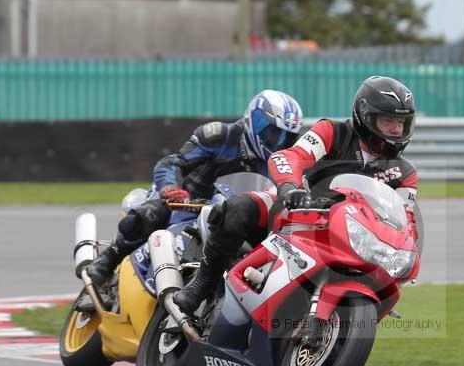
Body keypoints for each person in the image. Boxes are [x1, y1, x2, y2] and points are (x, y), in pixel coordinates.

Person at [174, 75, 419, 314]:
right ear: (366, 116)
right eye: (388, 121)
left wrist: (407, 253)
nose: (397, 130)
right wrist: (290, 188)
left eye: (402, 123)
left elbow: (405, 222)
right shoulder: (332, 131)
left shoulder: (405, 174)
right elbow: (288, 157)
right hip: (297, 212)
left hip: (348, 237)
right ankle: (202, 285)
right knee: (237, 208)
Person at [84, 90, 304, 286]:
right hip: (184, 200)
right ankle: (108, 259)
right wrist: (170, 188)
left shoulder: (282, 163)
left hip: (226, 212)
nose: (279, 143)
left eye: (287, 138)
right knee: (151, 212)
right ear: (254, 121)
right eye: (274, 134)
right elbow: (171, 162)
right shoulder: (218, 135)